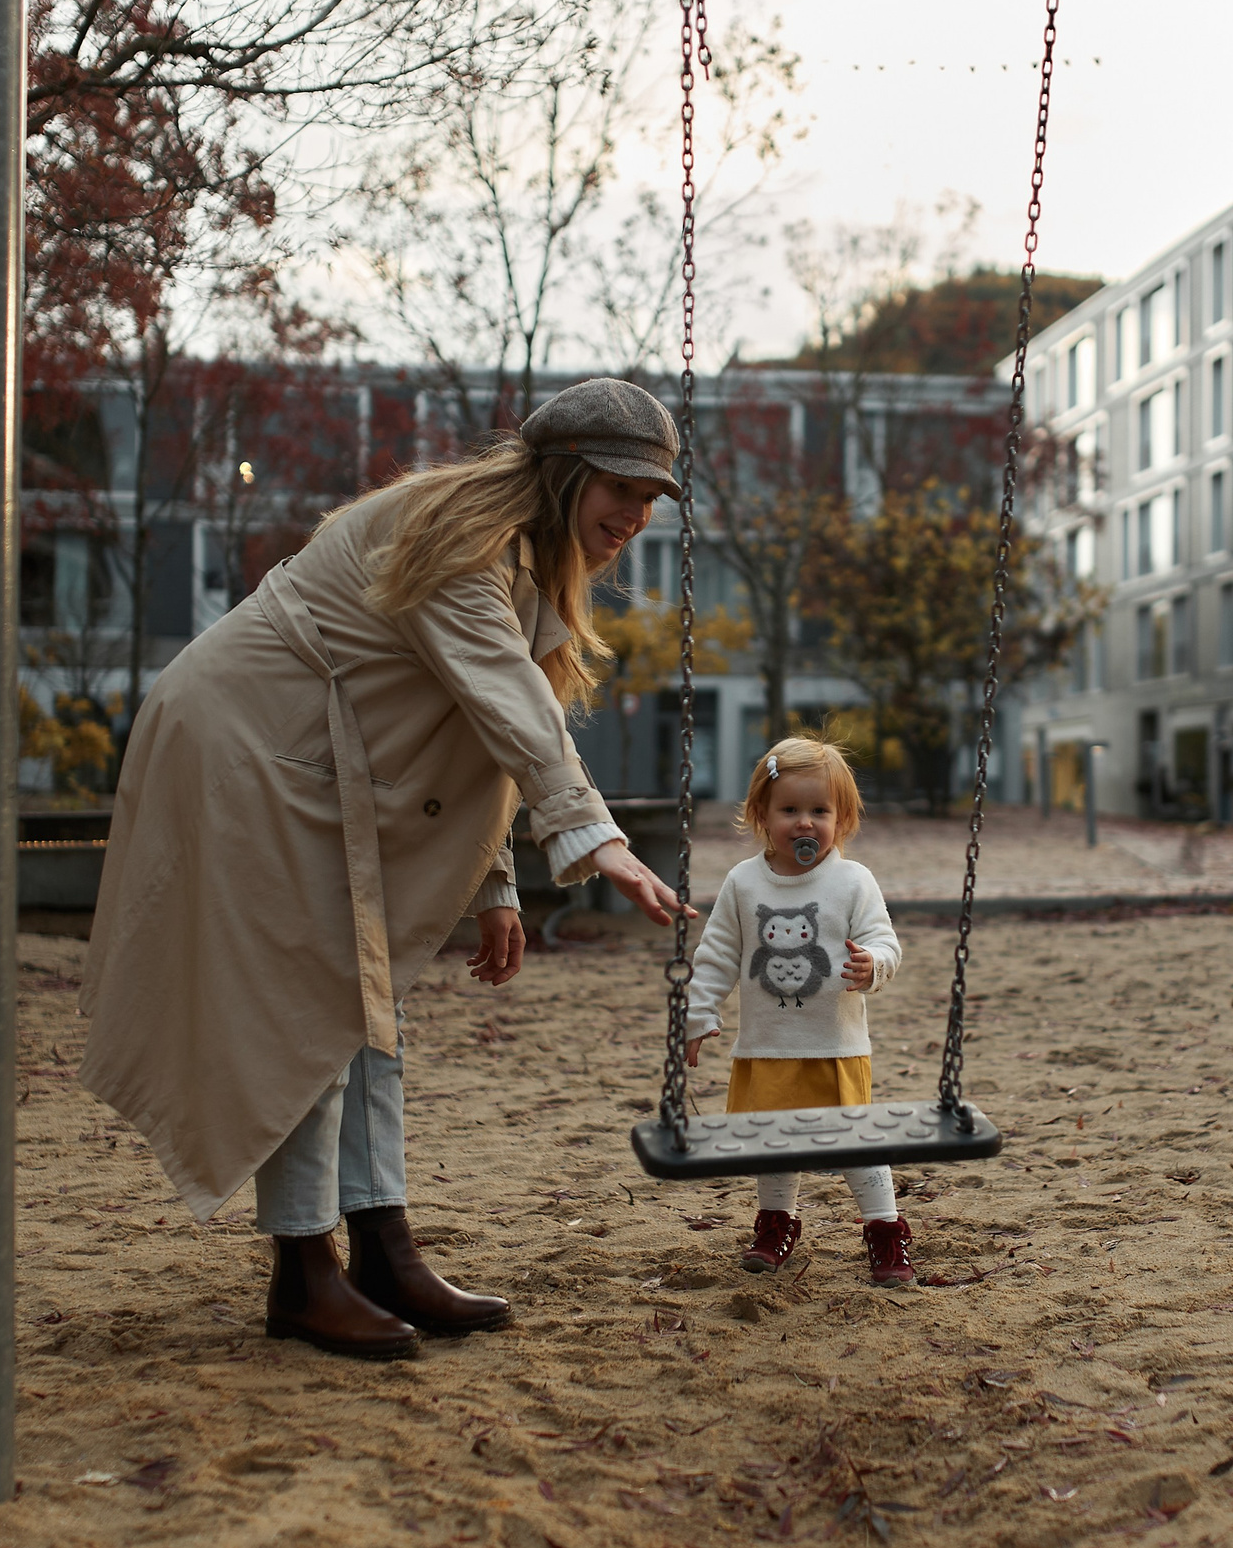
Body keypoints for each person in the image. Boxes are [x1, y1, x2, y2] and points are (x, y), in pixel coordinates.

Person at [80, 378, 694, 1360]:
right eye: (622, 486)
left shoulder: (526, 559)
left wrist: (495, 887)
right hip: (244, 746)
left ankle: (379, 1241)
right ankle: (302, 1270)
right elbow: (506, 701)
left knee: (362, 999)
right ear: (567, 472)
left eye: (654, 496)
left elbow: (469, 724)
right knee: (313, 997)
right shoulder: (461, 540)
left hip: (315, 760)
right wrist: (595, 836)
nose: (637, 514)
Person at [677, 737, 914, 1286]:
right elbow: (716, 955)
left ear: (842, 818)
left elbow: (886, 942)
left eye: (819, 811)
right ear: (761, 814)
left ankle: (884, 1228)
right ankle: (778, 1223)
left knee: (855, 1140)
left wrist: (872, 965)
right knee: (772, 1140)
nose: (804, 823)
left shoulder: (853, 881)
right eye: (789, 810)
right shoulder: (744, 882)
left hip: (835, 1045)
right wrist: (698, 1013)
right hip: (767, 1045)